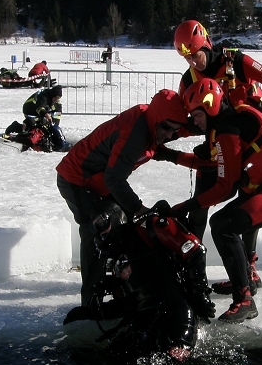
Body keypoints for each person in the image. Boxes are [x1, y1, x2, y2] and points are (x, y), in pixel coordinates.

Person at [168, 19, 262, 290]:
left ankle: (248, 270)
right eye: (186, 58)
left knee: (247, 207)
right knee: (199, 207)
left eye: (196, 55)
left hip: (250, 149)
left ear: (207, 44)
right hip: (216, 149)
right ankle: (193, 272)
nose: (193, 62)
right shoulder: (187, 79)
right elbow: (188, 119)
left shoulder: (234, 61)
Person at [166, 78, 262, 322]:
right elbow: (213, 165)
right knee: (226, 223)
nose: (195, 122)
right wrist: (169, 155)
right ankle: (242, 282)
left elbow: (225, 188)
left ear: (209, 106)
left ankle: (244, 300)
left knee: (224, 225)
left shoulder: (228, 129)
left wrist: (185, 207)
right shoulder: (227, 124)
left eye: (196, 115)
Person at [56, 89, 188, 308]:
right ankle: (91, 299)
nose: (169, 135)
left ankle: (123, 284)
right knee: (100, 227)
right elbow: (115, 179)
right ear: (156, 119)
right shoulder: (135, 133)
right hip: (77, 179)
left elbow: (189, 128)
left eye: (175, 132)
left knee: (127, 227)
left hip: (101, 182)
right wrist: (139, 208)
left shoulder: (153, 125)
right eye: (166, 128)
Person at [64, 200, 215, 362]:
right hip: (145, 322)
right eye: (94, 227)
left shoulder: (150, 229)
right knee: (113, 361)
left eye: (101, 223)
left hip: (177, 317)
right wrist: (96, 310)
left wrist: (200, 296)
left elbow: (194, 250)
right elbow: (129, 302)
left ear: (116, 217)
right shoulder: (114, 259)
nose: (100, 231)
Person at [4, 85, 69, 151]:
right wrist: (46, 115)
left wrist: (54, 126)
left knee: (45, 128)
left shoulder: (56, 102)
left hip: (40, 112)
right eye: (56, 97)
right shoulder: (44, 96)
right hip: (30, 110)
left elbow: (57, 114)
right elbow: (39, 108)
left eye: (58, 98)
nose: (56, 99)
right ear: (52, 95)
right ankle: (17, 127)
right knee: (33, 126)